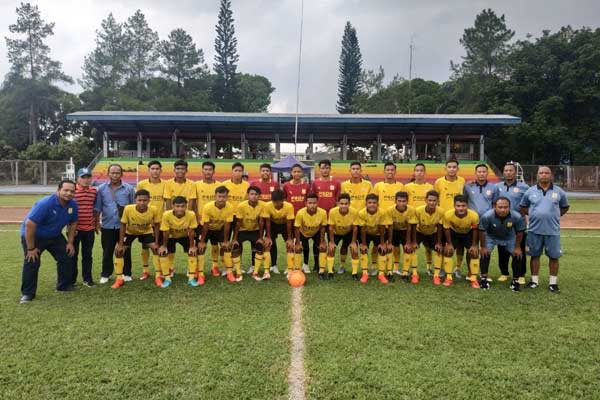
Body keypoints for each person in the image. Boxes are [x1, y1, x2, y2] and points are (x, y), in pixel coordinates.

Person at [19, 180, 79, 303]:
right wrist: (31, 248)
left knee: (67, 256)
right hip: (34, 236)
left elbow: (73, 223)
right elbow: (30, 225)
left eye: (72, 191)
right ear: (58, 190)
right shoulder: (46, 203)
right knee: (32, 262)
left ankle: (63, 286)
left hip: (54, 236)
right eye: (66, 190)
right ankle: (28, 294)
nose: (69, 193)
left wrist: (70, 242)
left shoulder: (73, 204)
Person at [519, 166, 569, 293]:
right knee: (534, 256)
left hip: (552, 230)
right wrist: (534, 214)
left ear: (551, 175)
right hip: (534, 230)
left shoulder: (559, 192)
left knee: (554, 257)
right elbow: (523, 207)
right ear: (537, 175)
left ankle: (553, 283)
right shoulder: (530, 191)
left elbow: (564, 207)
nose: (544, 175)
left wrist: (554, 216)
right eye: (541, 173)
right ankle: (534, 281)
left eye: (546, 173)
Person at [112, 189, 162, 289]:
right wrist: (121, 244)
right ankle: (119, 279)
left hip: (146, 232)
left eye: (144, 200)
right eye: (139, 200)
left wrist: (156, 242)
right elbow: (123, 225)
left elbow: (156, 225)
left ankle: (158, 276)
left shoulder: (154, 209)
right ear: (135, 200)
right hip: (130, 232)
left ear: (149, 200)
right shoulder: (128, 209)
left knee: (156, 249)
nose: (142, 202)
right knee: (118, 251)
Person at [94, 164, 135, 284]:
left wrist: (131, 225)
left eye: (117, 173)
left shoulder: (129, 189)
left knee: (126, 250)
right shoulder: (101, 189)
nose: (115, 175)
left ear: (121, 174)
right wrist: (97, 223)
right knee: (107, 251)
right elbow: (98, 207)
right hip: (107, 225)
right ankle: (106, 274)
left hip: (124, 226)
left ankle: (126, 273)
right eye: (112, 172)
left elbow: (133, 207)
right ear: (108, 174)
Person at [493, 162, 530, 285]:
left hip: (518, 224)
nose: (508, 172)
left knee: (519, 249)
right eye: (506, 170)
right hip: (501, 223)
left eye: (510, 170)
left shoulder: (524, 187)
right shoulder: (497, 186)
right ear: (503, 172)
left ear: (515, 173)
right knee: (502, 249)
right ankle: (504, 273)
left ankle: (520, 274)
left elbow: (529, 204)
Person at [478, 197, 526, 291]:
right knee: (485, 253)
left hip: (509, 237)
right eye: (500, 207)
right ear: (495, 207)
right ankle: (484, 279)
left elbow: (520, 232)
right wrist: (483, 246)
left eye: (505, 207)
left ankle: (515, 281)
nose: (503, 210)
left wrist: (517, 247)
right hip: (491, 237)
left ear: (510, 207)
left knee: (517, 254)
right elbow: (482, 231)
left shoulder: (517, 216)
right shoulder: (487, 216)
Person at [434, 159, 466, 278]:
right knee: (442, 244)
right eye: (449, 167)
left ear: (458, 169)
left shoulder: (462, 181)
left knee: (459, 245)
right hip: (443, 219)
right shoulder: (439, 182)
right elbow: (435, 200)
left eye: (454, 167)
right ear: (445, 168)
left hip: (458, 219)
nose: (452, 169)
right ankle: (442, 267)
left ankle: (457, 268)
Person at [159, 196, 199, 287]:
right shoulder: (166, 214)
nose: (180, 209)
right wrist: (164, 246)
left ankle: (191, 277)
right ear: (173, 206)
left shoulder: (191, 214)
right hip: (171, 236)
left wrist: (192, 246)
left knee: (192, 252)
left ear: (186, 206)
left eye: (182, 206)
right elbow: (165, 232)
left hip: (185, 236)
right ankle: (167, 278)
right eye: (177, 206)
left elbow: (191, 231)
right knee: (163, 252)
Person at [442, 195, 481, 289]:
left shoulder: (474, 215)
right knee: (448, 251)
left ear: (467, 205)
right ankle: (448, 277)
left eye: (463, 206)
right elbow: (446, 229)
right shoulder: (448, 215)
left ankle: (473, 278)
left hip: (468, 233)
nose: (461, 208)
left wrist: (475, 245)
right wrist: (449, 243)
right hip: (454, 233)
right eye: (458, 206)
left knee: (474, 252)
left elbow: (476, 230)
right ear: (454, 206)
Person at [373, 162, 405, 273]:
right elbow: (374, 203)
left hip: (394, 221)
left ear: (395, 171)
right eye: (388, 170)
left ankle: (395, 268)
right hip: (380, 221)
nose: (390, 172)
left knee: (395, 245)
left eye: (392, 170)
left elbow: (403, 203)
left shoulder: (401, 186)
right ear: (384, 171)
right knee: (378, 244)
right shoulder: (378, 186)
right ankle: (375, 267)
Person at [198, 186, 235, 282]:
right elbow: (205, 225)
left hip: (219, 228)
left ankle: (229, 271)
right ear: (215, 196)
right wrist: (202, 241)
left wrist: (226, 241)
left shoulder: (230, 207)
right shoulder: (207, 207)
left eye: (224, 196)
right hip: (206, 229)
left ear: (227, 197)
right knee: (202, 247)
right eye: (219, 196)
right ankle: (200, 273)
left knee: (225, 247)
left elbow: (227, 225)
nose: (221, 199)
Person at [232, 186, 269, 281]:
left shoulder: (263, 205)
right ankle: (238, 273)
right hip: (242, 230)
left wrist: (261, 237)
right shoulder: (241, 206)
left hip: (255, 231)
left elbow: (261, 222)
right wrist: (234, 238)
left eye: (256, 194)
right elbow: (238, 223)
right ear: (248, 195)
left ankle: (255, 272)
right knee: (235, 248)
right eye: (252, 194)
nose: (254, 196)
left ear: (259, 196)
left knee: (260, 246)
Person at [137, 160, 166, 280]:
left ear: (161, 170)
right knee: (145, 246)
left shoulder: (166, 184)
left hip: (160, 221)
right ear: (148, 170)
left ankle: (164, 269)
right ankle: (145, 270)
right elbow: (138, 202)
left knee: (160, 246)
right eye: (152, 169)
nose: (155, 171)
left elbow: (168, 202)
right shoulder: (141, 184)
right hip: (146, 222)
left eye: (157, 169)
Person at [310, 159, 342, 271]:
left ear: (330, 169)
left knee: (331, 242)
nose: (325, 170)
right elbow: (312, 200)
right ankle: (316, 264)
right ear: (319, 169)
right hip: (318, 219)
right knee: (318, 241)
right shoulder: (315, 183)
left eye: (327, 168)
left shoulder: (336, 183)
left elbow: (338, 201)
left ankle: (329, 265)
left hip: (331, 219)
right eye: (322, 168)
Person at [405, 163, 434, 274]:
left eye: (421, 170)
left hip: (427, 221)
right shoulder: (407, 187)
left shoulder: (430, 187)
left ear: (425, 172)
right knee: (412, 246)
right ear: (414, 172)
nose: (419, 172)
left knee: (428, 247)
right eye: (417, 170)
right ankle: (412, 268)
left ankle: (429, 267)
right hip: (412, 221)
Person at [356, 193, 391, 284]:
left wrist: (382, 243)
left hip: (378, 233)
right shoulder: (361, 213)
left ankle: (381, 274)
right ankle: (365, 274)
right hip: (366, 234)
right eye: (370, 202)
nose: (372, 204)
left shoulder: (382, 212)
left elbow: (382, 228)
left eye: (374, 202)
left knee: (382, 250)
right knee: (363, 250)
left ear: (377, 204)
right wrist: (363, 244)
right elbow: (362, 229)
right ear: (366, 204)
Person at [195, 160, 222, 277]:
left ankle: (215, 267)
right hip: (202, 221)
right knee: (201, 245)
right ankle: (197, 269)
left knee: (215, 244)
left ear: (213, 171)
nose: (208, 172)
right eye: (205, 169)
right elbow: (194, 202)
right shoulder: (196, 185)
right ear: (202, 170)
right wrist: (196, 216)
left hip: (216, 222)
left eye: (210, 169)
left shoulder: (219, 185)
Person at [71, 168, 97, 287]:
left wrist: (96, 224)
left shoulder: (94, 191)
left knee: (87, 255)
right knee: (73, 255)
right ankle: (71, 280)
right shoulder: (72, 191)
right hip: (75, 230)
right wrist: (70, 227)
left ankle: (87, 279)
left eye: (88, 177)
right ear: (77, 179)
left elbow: (95, 209)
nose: (86, 180)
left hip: (89, 229)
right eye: (83, 177)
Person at [415, 191, 445, 285]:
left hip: (433, 233)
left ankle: (436, 275)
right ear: (426, 200)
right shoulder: (418, 210)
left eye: (434, 201)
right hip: (419, 232)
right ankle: (414, 274)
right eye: (430, 200)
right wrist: (412, 241)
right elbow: (413, 226)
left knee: (438, 249)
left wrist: (439, 242)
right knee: (412, 249)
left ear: (438, 201)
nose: (432, 202)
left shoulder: (441, 211)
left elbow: (440, 227)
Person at [386, 191, 418, 282]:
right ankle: (390, 272)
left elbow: (410, 226)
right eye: (399, 201)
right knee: (391, 248)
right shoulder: (390, 210)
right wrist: (390, 242)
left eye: (404, 201)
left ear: (407, 201)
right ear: (395, 201)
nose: (401, 203)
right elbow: (390, 227)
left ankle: (405, 272)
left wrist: (409, 242)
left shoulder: (411, 210)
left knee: (408, 248)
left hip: (405, 231)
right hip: (394, 230)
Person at [326, 193, 359, 279]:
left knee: (353, 249)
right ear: (337, 203)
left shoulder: (354, 212)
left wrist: (353, 242)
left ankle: (352, 272)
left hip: (348, 232)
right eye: (341, 203)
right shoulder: (333, 212)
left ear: (349, 204)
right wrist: (332, 242)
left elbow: (355, 228)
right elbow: (330, 228)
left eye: (346, 204)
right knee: (331, 248)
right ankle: (330, 271)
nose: (344, 206)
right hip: (336, 232)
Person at [294, 193, 327, 275]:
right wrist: (298, 243)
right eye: (310, 203)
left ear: (317, 203)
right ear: (305, 203)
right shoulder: (300, 213)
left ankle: (318, 266)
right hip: (303, 232)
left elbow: (323, 228)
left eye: (314, 203)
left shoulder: (323, 212)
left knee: (319, 247)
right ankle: (305, 265)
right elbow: (297, 229)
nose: (312, 205)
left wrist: (322, 241)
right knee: (303, 248)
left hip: (316, 232)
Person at [264, 189, 296, 275]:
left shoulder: (289, 206)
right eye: (275, 202)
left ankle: (290, 268)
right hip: (272, 225)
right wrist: (268, 236)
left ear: (283, 200)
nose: (277, 204)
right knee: (270, 244)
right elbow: (267, 222)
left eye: (279, 202)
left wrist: (289, 238)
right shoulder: (267, 206)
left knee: (290, 245)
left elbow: (289, 223)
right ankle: (273, 266)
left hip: (285, 225)